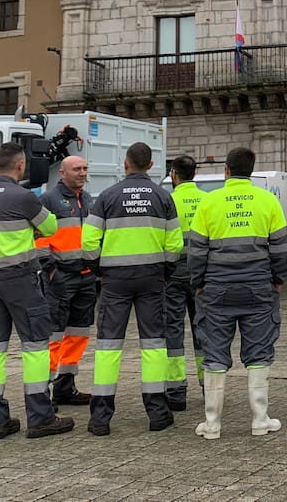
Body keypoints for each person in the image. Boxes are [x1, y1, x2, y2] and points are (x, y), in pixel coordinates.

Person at [0, 142, 75, 440]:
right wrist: (32, 228)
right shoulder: (22, 196)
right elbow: (52, 226)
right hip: (19, 278)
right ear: (20, 165)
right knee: (35, 346)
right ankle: (41, 418)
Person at [188, 147, 287, 440]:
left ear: (227, 170)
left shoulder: (209, 202)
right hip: (258, 288)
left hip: (216, 289)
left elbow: (197, 251)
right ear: (251, 170)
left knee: (214, 352)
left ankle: (212, 424)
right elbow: (280, 249)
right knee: (259, 353)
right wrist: (278, 280)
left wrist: (198, 283)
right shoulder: (268, 201)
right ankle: (260, 420)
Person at [82, 142, 182, 436]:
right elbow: (175, 244)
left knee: (108, 345)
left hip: (115, 280)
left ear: (125, 164)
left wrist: (100, 269)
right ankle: (157, 413)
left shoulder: (107, 196)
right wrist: (164, 269)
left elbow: (88, 242)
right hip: (151, 277)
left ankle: (101, 418)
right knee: (153, 344)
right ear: (150, 165)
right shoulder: (163, 196)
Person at [35, 155, 96, 406]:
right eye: (76, 169)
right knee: (54, 335)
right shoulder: (48, 200)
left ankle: (65, 386)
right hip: (60, 277)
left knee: (78, 333)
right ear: (62, 173)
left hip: (86, 276)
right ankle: (43, 392)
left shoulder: (88, 199)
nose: (82, 173)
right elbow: (38, 238)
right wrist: (50, 269)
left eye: (85, 168)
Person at [165, 155, 209, 411]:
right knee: (204, 330)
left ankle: (176, 391)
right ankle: (209, 386)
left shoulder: (168, 200)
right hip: (202, 275)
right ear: (195, 174)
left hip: (173, 275)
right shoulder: (208, 200)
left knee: (172, 330)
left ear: (174, 174)